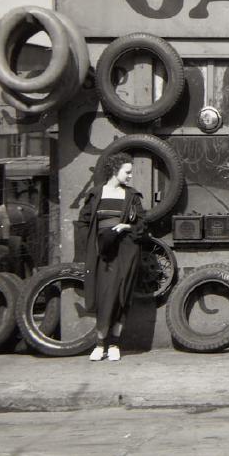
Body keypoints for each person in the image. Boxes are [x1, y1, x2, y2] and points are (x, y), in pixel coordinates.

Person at [77, 152, 146, 362]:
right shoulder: (96, 194)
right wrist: (93, 245)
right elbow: (83, 222)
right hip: (103, 253)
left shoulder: (132, 196)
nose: (130, 176)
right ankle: (100, 344)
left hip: (126, 251)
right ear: (116, 171)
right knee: (105, 296)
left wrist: (127, 226)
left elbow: (142, 224)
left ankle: (114, 344)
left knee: (121, 296)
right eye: (127, 172)